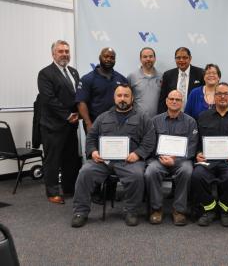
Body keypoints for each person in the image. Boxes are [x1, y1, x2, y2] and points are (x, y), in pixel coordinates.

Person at [71, 84, 156, 228]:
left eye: (126, 96)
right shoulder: (102, 117)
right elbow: (91, 138)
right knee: (85, 172)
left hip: (130, 161)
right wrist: (93, 152)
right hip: (103, 161)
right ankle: (80, 212)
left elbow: (149, 139)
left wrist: (138, 154)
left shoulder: (143, 118)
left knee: (137, 176)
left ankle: (131, 211)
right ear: (114, 98)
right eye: (119, 95)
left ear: (132, 98)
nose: (122, 99)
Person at [191, 82, 228, 227]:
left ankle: (225, 210)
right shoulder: (203, 117)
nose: (223, 97)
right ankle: (209, 209)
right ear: (214, 97)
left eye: (226, 94)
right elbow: (197, 139)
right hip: (208, 161)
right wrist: (197, 153)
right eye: (219, 94)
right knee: (197, 175)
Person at [145, 90, 198, 226]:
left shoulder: (190, 122)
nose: (174, 101)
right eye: (172, 99)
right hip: (160, 160)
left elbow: (192, 146)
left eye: (178, 99)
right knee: (151, 171)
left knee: (187, 171)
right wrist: (160, 157)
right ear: (166, 101)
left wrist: (175, 160)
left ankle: (179, 210)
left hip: (181, 161)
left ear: (182, 103)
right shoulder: (155, 121)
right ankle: (156, 209)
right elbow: (150, 143)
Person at [37, 40, 81, 204]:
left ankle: (69, 188)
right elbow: (49, 99)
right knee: (53, 160)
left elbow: (76, 96)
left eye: (67, 51)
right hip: (53, 126)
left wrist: (78, 114)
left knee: (70, 159)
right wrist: (68, 115)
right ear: (53, 54)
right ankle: (52, 192)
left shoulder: (73, 72)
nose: (64, 54)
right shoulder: (45, 73)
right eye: (61, 51)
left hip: (71, 125)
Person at [76, 47, 128, 132]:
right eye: (106, 56)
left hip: (117, 125)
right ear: (100, 57)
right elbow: (81, 102)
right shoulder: (87, 79)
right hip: (95, 125)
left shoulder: (121, 79)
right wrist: (88, 123)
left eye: (112, 58)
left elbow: (127, 101)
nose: (109, 59)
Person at [157, 47, 204, 113]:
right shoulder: (168, 75)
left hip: (194, 116)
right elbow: (162, 99)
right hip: (172, 116)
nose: (181, 60)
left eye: (184, 57)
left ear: (190, 58)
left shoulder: (201, 73)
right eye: (178, 58)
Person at [127, 47, 162, 118]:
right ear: (140, 59)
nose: (148, 59)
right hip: (137, 120)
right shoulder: (132, 76)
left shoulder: (162, 77)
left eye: (151, 56)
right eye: (145, 57)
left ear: (155, 58)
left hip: (157, 120)